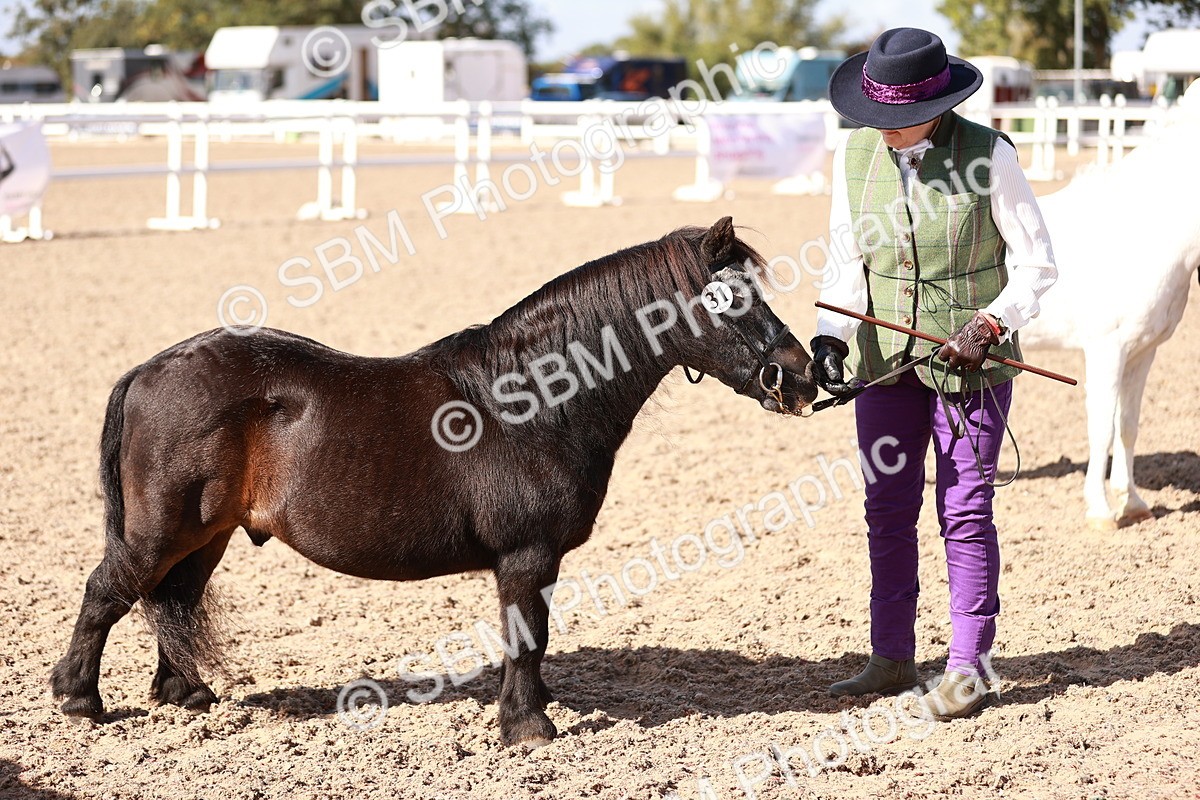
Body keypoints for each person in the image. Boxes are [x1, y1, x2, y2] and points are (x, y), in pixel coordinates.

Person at [811, 28, 1057, 718]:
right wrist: (830, 338)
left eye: (895, 121)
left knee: (964, 513)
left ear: (939, 104)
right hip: (884, 364)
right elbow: (843, 257)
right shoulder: (854, 152)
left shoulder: (990, 155)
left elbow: (1038, 266)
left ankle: (969, 672)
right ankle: (890, 657)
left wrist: (988, 325)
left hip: (971, 369)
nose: (882, 133)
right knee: (886, 509)